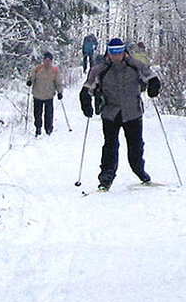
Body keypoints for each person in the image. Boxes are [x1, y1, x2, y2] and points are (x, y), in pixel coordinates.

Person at [79, 37, 161, 191]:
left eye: (118, 52)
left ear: (124, 52)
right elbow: (89, 85)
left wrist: (154, 85)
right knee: (110, 146)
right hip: (111, 112)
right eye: (112, 52)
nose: (115, 56)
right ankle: (105, 179)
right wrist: (85, 99)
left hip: (132, 112)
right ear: (108, 53)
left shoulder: (135, 66)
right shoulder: (100, 69)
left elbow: (150, 75)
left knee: (135, 147)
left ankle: (140, 171)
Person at [27, 52, 63, 136]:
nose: (47, 62)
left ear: (51, 61)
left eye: (49, 60)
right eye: (46, 60)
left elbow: (58, 82)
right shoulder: (37, 69)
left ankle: (48, 129)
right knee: (37, 114)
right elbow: (32, 77)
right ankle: (38, 128)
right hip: (37, 95)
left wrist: (59, 92)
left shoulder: (54, 70)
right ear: (43, 60)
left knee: (49, 114)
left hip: (49, 96)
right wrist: (29, 81)